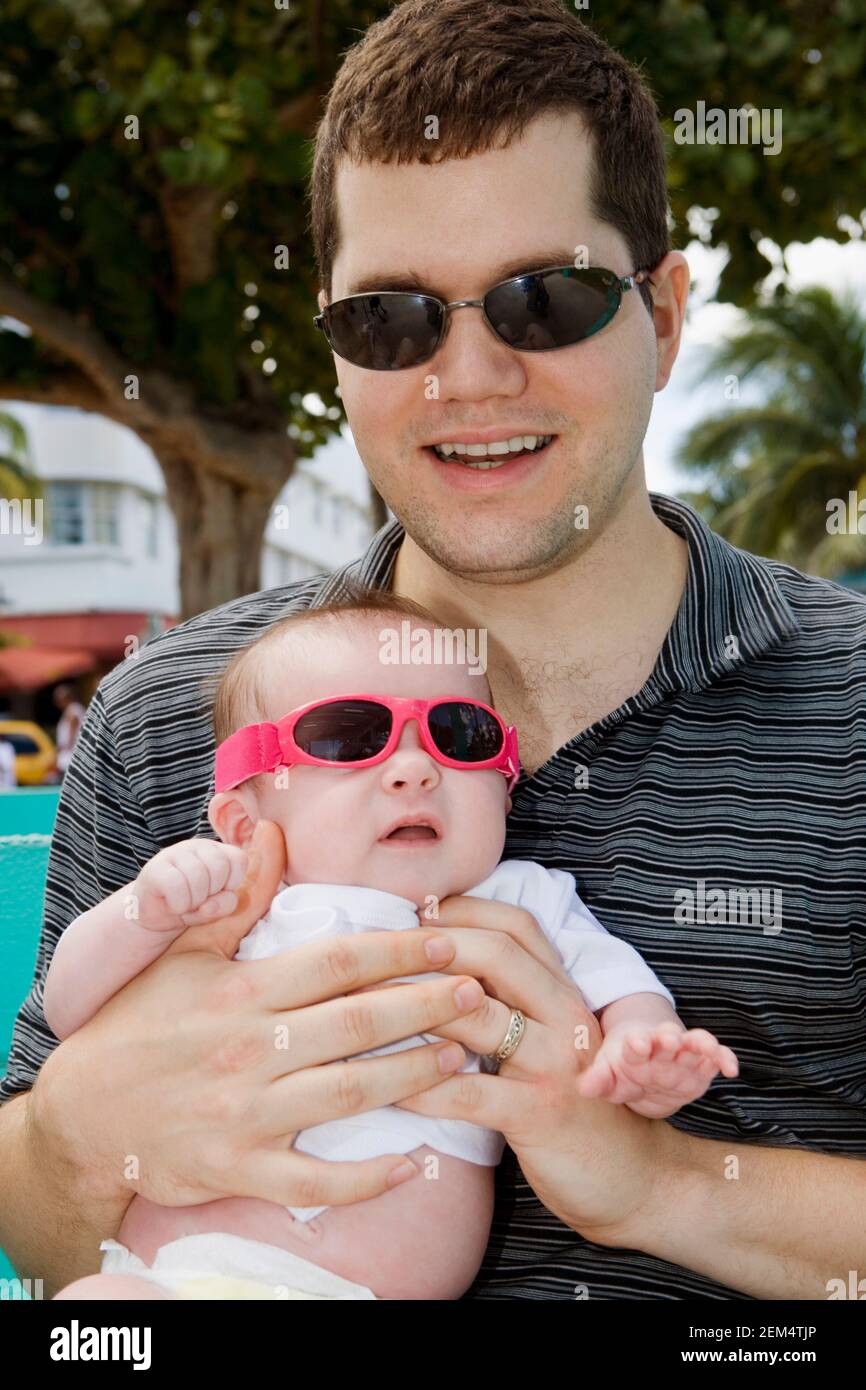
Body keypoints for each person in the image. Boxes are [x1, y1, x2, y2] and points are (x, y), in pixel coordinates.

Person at [1, 0, 864, 1301]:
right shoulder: (174, 712)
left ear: (666, 313)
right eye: (391, 318)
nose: (464, 377)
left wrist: (662, 1184)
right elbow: (45, 1232)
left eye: (546, 298)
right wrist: (74, 1141)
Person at [45, 595, 737, 1300]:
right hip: (179, 1277)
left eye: (460, 735)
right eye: (347, 735)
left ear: (506, 790)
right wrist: (144, 911)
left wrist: (643, 1042)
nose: (414, 770)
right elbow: (69, 1010)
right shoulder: (230, 898)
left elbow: (622, 984)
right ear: (243, 818)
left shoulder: (520, 900)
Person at [52, 683, 85, 777]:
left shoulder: (72, 710)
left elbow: (71, 734)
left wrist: (60, 750)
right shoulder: (74, 709)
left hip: (70, 755)